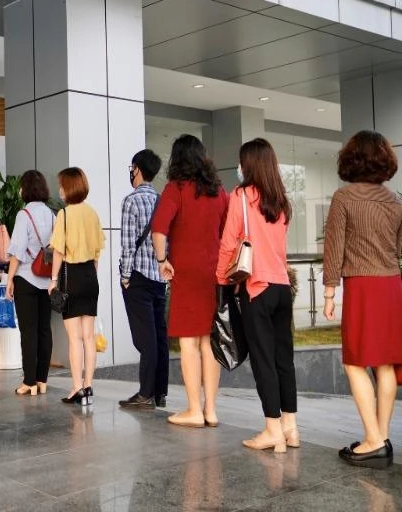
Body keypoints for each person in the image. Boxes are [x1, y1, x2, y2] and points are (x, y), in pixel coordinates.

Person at [322, 130, 402, 469]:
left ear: (351, 158)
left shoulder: (344, 197)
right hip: (392, 285)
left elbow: (333, 247)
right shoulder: (394, 200)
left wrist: (329, 292)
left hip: (363, 286)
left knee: (355, 362)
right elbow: (398, 249)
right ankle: (379, 438)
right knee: (385, 363)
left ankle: (373, 441)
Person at [216, 138, 296, 454]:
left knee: (264, 361)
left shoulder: (241, 196)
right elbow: (281, 249)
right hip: (282, 288)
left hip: (257, 289)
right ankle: (290, 428)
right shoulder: (281, 201)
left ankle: (272, 430)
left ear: (248, 164)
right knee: (283, 360)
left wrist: (221, 280)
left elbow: (228, 243)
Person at [151, 135, 228, 427]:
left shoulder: (176, 188)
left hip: (186, 272)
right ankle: (211, 410)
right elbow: (227, 231)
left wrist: (162, 261)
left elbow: (159, 230)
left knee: (189, 343)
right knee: (209, 342)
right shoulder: (218, 190)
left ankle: (194, 409)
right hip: (214, 273)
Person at [117, 150, 169, 411]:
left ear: (136, 169)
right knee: (159, 336)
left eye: (131, 167)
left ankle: (146, 393)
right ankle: (160, 393)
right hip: (159, 277)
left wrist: (125, 277)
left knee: (145, 339)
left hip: (137, 277)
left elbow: (128, 245)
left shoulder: (131, 201)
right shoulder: (161, 200)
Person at [49, 168, 105, 406]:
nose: (60, 190)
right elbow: (97, 253)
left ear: (69, 187)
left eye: (62, 185)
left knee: (74, 338)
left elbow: (58, 252)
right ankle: (89, 386)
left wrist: (53, 281)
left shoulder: (64, 214)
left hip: (71, 277)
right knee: (88, 337)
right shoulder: (92, 213)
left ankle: (77, 387)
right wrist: (91, 276)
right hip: (90, 277)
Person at [6, 170, 54, 396]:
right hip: (46, 280)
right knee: (45, 330)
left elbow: (17, 251)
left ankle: (29, 382)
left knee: (29, 331)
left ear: (25, 189)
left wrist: (9, 279)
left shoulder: (23, 214)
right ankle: (42, 380)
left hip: (26, 278)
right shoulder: (52, 215)